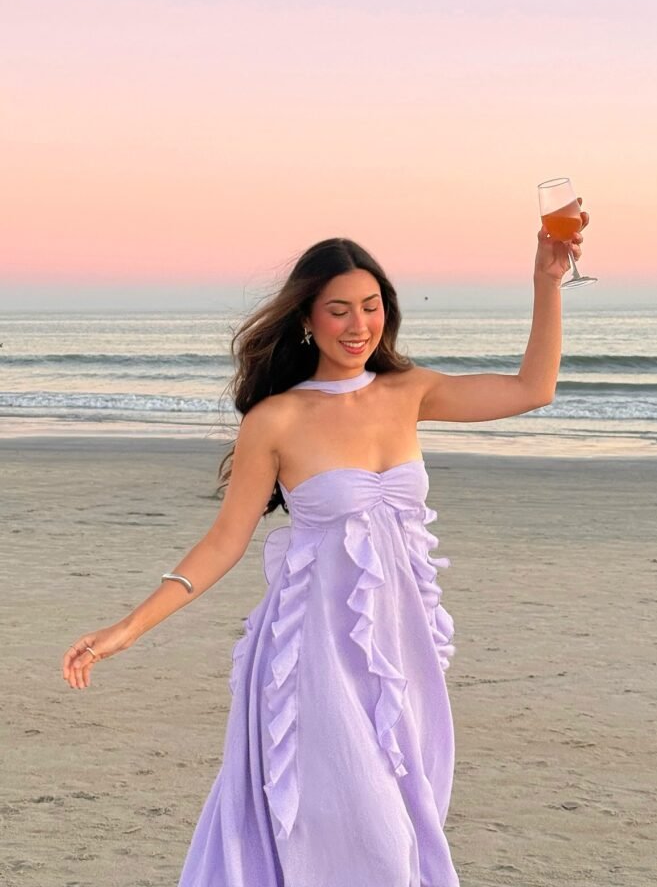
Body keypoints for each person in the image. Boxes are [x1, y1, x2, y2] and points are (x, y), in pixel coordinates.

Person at [62, 208, 588, 886]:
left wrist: (546, 280)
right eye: (338, 310)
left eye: (370, 306)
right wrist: (128, 628)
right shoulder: (276, 419)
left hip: (400, 648)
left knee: (404, 825)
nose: (357, 324)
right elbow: (224, 542)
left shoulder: (408, 391)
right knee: (364, 836)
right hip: (312, 652)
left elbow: (532, 389)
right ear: (308, 319)